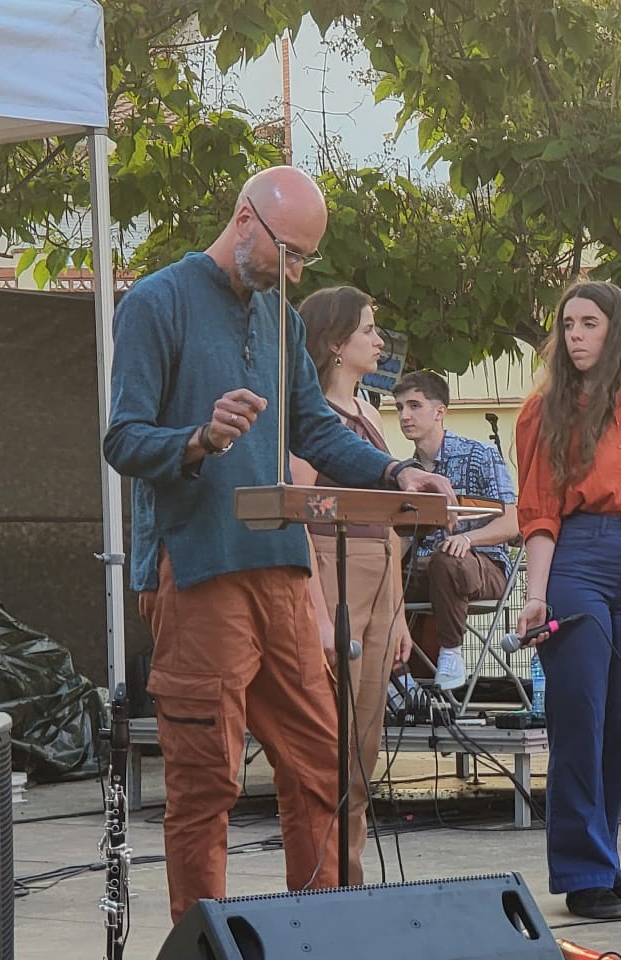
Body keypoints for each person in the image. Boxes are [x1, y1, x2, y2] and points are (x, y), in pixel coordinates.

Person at [103, 166, 453, 922]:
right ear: (243, 219)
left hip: (283, 569)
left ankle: (320, 943)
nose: (293, 273)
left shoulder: (281, 316)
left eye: (303, 261)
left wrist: (397, 472)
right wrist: (198, 438)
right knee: (206, 784)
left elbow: (316, 429)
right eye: (287, 254)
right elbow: (123, 438)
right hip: (199, 568)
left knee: (323, 766)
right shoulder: (155, 303)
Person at [513, 280, 621, 920]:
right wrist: (537, 594)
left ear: (617, 330)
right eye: (568, 325)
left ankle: (607, 860)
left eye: (589, 323)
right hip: (577, 557)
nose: (577, 335)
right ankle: (582, 871)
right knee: (579, 719)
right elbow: (536, 510)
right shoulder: (544, 410)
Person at [285, 285, 413, 885]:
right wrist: (317, 611)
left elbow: (389, 516)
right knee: (330, 745)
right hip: (335, 573)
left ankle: (351, 878)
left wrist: (402, 615)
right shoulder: (314, 422)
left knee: (364, 745)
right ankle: (328, 883)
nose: (378, 340)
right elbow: (299, 515)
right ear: (336, 343)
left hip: (381, 573)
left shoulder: (368, 411)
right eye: (368, 329)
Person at [393, 369, 520, 691]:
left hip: (482, 567)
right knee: (371, 571)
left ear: (440, 412)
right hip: (424, 573)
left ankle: (450, 653)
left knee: (446, 557)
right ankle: (398, 681)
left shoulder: (480, 454)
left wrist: (466, 538)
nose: (404, 416)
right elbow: (404, 539)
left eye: (414, 406)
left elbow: (513, 522)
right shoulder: (406, 474)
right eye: (399, 408)